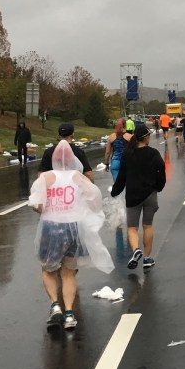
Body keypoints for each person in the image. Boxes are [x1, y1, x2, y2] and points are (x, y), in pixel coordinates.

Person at [30, 141, 112, 330]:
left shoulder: (46, 178)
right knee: (68, 273)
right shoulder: (78, 178)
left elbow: (36, 204)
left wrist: (45, 209)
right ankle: (69, 313)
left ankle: (54, 305)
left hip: (50, 227)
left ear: (54, 159)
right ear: (73, 160)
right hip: (74, 228)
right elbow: (95, 199)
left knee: (48, 269)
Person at [110, 123, 166, 270]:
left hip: (133, 195)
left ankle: (136, 250)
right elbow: (161, 172)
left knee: (132, 227)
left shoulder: (128, 154)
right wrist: (159, 187)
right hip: (150, 194)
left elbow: (121, 177)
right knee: (148, 226)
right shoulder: (153, 153)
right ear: (146, 137)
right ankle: (147, 258)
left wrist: (115, 191)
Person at [104, 118, 129, 183]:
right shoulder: (129, 137)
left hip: (115, 162)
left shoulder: (111, 137)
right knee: (128, 185)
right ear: (125, 126)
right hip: (126, 162)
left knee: (117, 185)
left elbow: (107, 152)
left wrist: (106, 163)